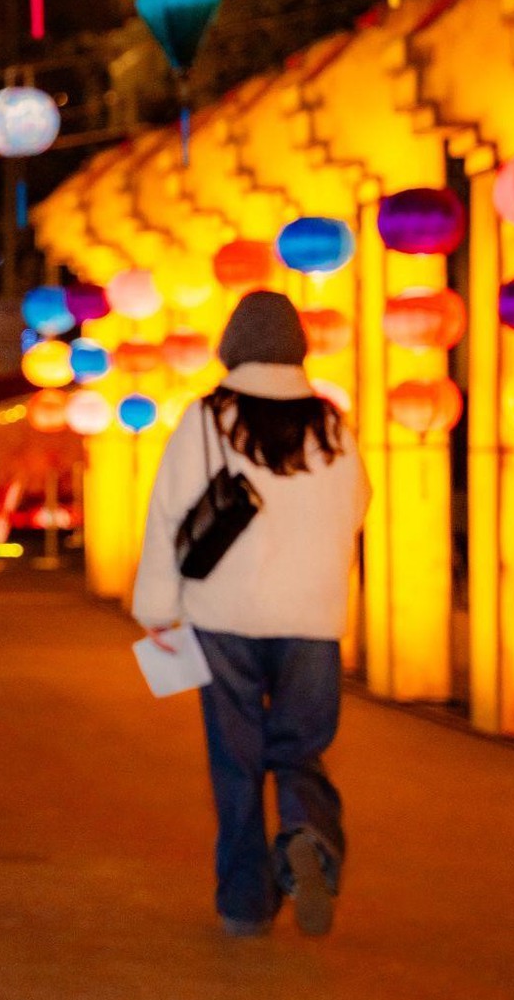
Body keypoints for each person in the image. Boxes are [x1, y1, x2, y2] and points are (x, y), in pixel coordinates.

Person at [132, 290, 369, 938]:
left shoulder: (208, 417)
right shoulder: (330, 423)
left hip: (223, 615)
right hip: (310, 620)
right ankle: (307, 834)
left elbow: (168, 517)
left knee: (235, 759)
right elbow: (356, 509)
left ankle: (244, 903)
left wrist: (157, 607)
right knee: (301, 748)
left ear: (231, 346)